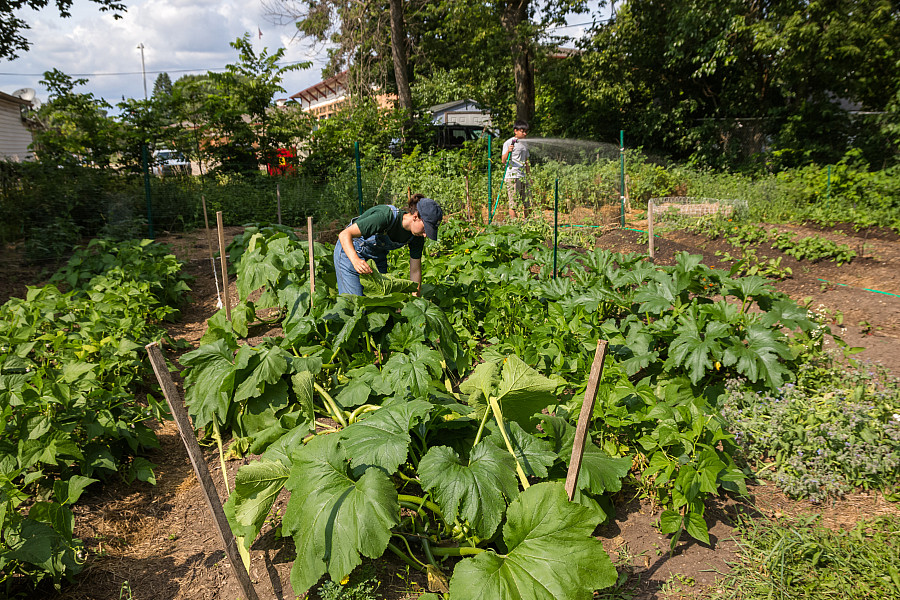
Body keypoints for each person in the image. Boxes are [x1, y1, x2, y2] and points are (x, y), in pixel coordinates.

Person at [333, 194, 444, 296]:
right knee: (354, 301)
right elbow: (344, 234)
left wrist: (415, 298)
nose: (425, 235)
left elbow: (415, 270)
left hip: (377, 258)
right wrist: (355, 260)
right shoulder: (385, 216)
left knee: (381, 304)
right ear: (415, 217)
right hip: (350, 252)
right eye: (425, 228)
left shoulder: (416, 237)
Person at [501, 120, 531, 220]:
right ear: (515, 131)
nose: (525, 133)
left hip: (523, 176)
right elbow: (503, 160)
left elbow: (526, 161)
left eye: (526, 131)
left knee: (528, 202)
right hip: (512, 176)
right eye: (522, 131)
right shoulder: (508, 143)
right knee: (513, 204)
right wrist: (508, 151)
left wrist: (529, 176)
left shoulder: (525, 144)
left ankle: (528, 224)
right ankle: (515, 227)